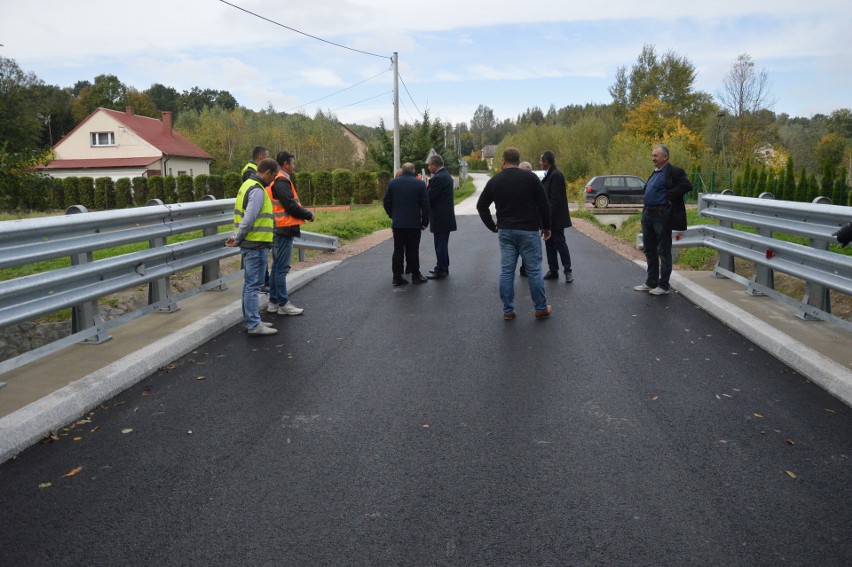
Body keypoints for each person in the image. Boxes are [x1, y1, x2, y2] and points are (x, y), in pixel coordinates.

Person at [476, 147, 553, 320]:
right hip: (528, 230)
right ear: (518, 161)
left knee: (506, 271)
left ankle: (508, 310)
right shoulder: (531, 178)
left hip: (505, 231)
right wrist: (546, 227)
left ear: (503, 161)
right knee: (534, 270)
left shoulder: (495, 180)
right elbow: (544, 204)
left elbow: (481, 206)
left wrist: (493, 226)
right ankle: (541, 308)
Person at [226, 158, 279, 336]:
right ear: (268, 172)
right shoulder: (257, 190)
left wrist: (238, 237)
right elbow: (249, 218)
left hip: (252, 242)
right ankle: (254, 324)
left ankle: (252, 319)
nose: (272, 181)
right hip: (255, 243)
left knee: (250, 284)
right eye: (273, 177)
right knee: (253, 286)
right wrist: (238, 237)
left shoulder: (246, 185)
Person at [634, 143, 693, 296]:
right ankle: (651, 282)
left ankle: (663, 285)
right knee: (649, 249)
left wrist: (668, 196)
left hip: (661, 215)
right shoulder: (655, 172)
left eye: (656, 156)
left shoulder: (673, 171)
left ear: (665, 157)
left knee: (663, 250)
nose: (653, 158)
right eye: (653, 155)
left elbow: (687, 185)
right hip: (648, 214)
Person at [266, 151, 315, 316]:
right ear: (286, 164)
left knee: (276, 267)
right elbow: (291, 206)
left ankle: (273, 302)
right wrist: (308, 214)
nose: (294, 166)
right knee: (281, 268)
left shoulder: (277, 180)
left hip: (280, 228)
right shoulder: (281, 181)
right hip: (283, 229)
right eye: (293, 163)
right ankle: (283, 303)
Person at [383, 162, 430, 286]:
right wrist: (424, 222)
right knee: (413, 250)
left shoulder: (393, 183)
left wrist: (392, 215)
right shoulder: (419, 184)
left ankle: (397, 277)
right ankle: (415, 275)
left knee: (398, 250)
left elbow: (386, 201)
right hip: (414, 223)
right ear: (413, 171)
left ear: (402, 170)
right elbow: (425, 205)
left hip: (398, 223)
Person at [540, 150, 574, 283]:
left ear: (547, 162)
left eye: (541, 160)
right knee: (549, 245)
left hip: (556, 219)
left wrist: (547, 220)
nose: (540, 163)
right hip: (549, 218)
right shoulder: (550, 174)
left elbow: (555, 200)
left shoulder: (556, 175)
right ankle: (553, 271)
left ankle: (568, 271)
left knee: (560, 244)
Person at [242, 146, 271, 292]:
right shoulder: (250, 173)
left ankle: (264, 281)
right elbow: (251, 210)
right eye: (267, 157)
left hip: (258, 232)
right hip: (254, 233)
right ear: (260, 157)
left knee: (251, 284)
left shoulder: (252, 171)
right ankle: (263, 283)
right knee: (252, 284)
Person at [426, 154, 456, 279]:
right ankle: (443, 266)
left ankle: (441, 269)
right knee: (442, 243)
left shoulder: (438, 178)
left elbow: (430, 197)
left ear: (435, 164)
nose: (428, 168)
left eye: (429, 165)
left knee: (440, 244)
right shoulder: (446, 176)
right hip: (446, 216)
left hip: (440, 216)